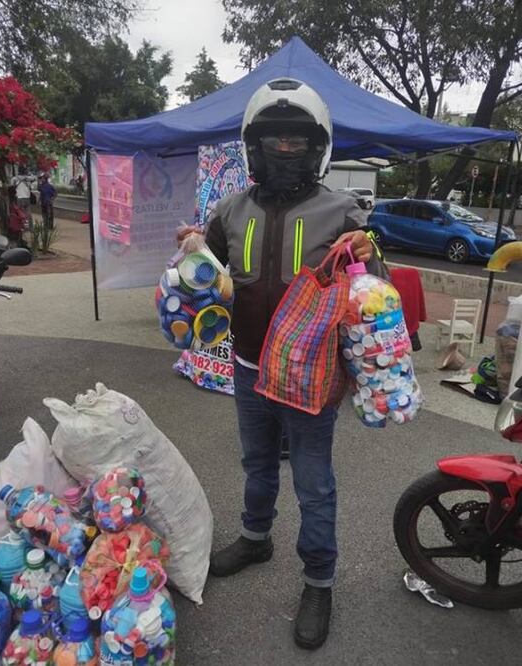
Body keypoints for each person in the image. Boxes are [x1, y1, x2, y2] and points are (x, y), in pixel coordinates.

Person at [181, 78, 384, 650]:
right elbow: (205, 276)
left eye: (299, 137)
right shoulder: (228, 210)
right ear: (254, 144)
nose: (286, 147)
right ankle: (255, 537)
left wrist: (371, 260)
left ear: (318, 145)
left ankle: (319, 580)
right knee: (257, 460)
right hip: (247, 364)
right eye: (275, 138)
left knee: (314, 482)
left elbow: (374, 297)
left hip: (311, 376)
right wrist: (190, 248)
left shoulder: (344, 212)